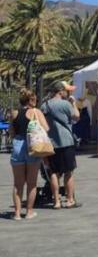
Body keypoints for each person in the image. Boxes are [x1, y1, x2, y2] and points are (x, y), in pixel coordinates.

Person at [9, 88, 49, 220]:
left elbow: (12, 133)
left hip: (18, 144)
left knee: (18, 183)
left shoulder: (14, 113)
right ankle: (29, 212)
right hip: (33, 145)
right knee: (32, 183)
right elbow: (46, 128)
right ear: (31, 100)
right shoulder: (36, 112)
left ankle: (17, 213)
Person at [42, 80, 81, 210]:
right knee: (69, 172)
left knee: (54, 172)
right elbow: (76, 117)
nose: (67, 93)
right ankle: (70, 200)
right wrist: (73, 103)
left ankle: (56, 201)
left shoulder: (45, 105)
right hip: (66, 141)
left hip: (51, 143)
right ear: (60, 91)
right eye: (66, 91)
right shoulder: (65, 104)